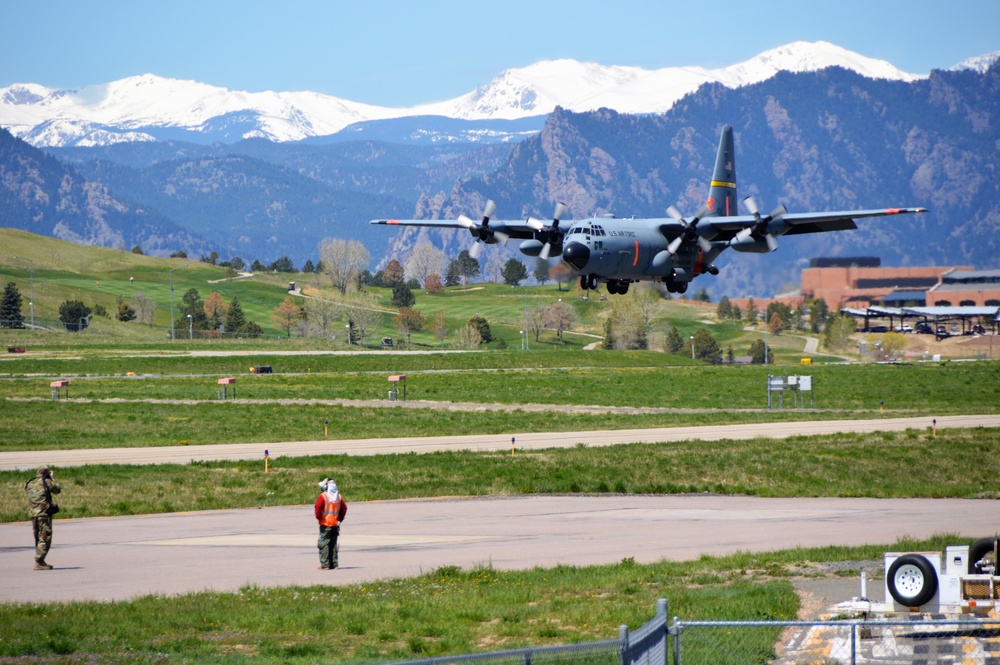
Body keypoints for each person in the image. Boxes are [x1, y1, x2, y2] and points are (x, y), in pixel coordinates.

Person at [24, 466, 61, 570]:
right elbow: (57, 490)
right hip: (44, 514)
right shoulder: (46, 482)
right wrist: (52, 479)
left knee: (38, 537)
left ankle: (40, 559)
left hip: (33, 514)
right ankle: (39, 561)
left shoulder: (30, 482)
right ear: (46, 474)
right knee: (45, 537)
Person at [314, 478, 347, 570]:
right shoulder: (338, 497)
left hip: (325, 524)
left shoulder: (323, 496)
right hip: (335, 524)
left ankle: (325, 564)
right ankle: (334, 564)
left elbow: (318, 508)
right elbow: (344, 508)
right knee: (333, 544)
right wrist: (339, 519)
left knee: (323, 544)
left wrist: (319, 517)